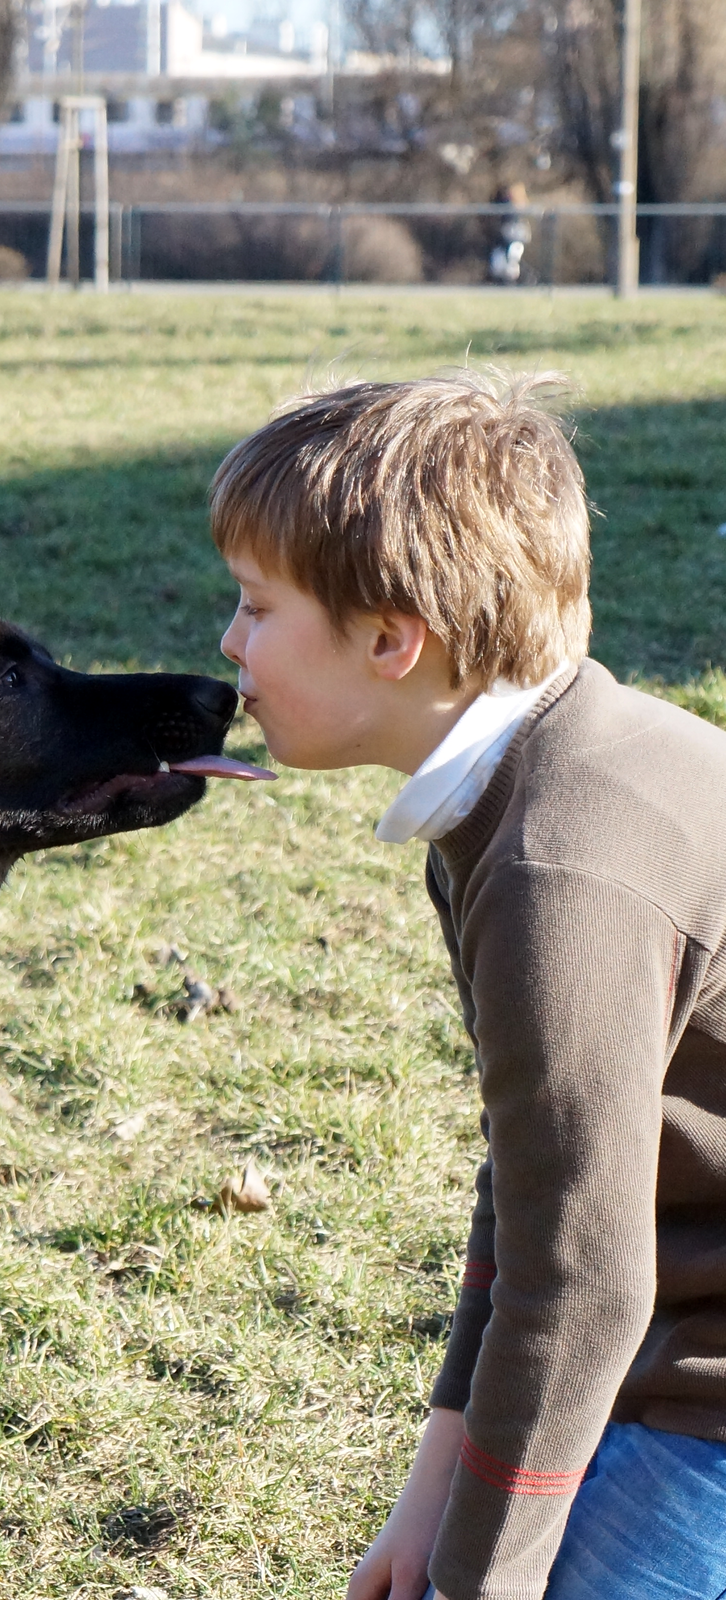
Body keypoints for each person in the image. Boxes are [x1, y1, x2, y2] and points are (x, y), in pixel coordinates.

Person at [208, 373, 726, 1600]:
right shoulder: (534, 772)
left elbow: (581, 1282)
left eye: (256, 606)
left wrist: (475, 1581)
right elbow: (535, 1178)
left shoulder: (558, 867)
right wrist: (434, 1488)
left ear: (393, 640)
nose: (229, 641)